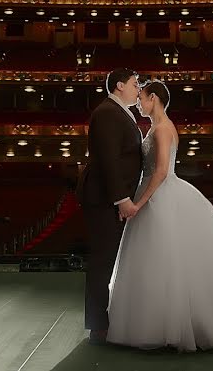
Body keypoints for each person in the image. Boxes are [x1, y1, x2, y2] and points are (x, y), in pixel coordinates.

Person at [107, 80, 213, 351]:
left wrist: (139, 202)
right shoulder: (156, 127)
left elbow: (161, 171)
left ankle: (176, 326)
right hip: (161, 193)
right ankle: (167, 323)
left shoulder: (162, 128)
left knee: (167, 260)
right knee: (161, 261)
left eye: (142, 98)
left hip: (161, 195)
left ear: (154, 98)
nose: (138, 103)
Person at [76, 68, 143, 345]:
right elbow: (108, 160)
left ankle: (109, 319)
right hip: (104, 198)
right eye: (134, 83)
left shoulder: (120, 112)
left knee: (110, 262)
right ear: (119, 86)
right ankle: (98, 327)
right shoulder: (107, 112)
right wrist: (122, 199)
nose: (138, 88)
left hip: (110, 197)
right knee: (103, 262)